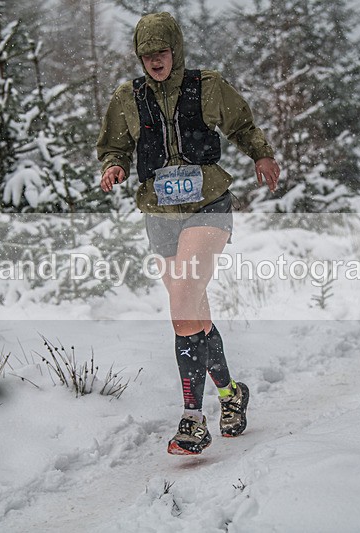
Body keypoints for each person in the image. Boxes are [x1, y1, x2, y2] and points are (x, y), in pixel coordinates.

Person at [97, 12, 280, 455]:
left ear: (175, 50)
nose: (155, 61)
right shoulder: (128, 97)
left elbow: (242, 125)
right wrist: (114, 165)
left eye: (161, 53)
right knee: (192, 309)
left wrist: (261, 155)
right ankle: (231, 393)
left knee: (181, 297)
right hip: (159, 212)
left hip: (207, 205)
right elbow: (114, 144)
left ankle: (193, 419)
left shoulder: (207, 86)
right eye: (147, 55)